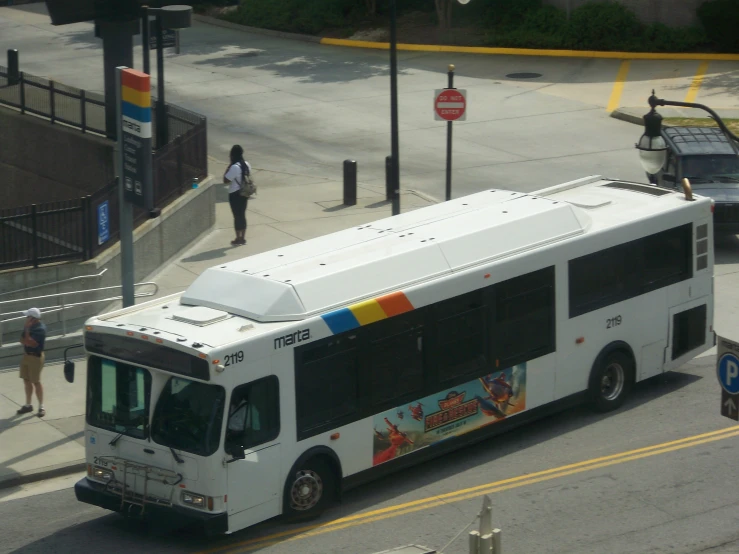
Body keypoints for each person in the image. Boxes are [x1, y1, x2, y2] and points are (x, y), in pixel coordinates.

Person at [16, 307, 47, 417]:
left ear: (33, 319)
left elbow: (30, 343)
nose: (26, 319)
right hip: (26, 356)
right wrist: (27, 332)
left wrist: (27, 330)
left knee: (36, 381)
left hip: (36, 358)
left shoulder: (40, 329)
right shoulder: (29, 327)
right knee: (26, 380)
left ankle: (41, 406)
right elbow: (22, 341)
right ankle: (28, 405)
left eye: (27, 317)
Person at [223, 145, 252, 246]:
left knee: (237, 216)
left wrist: (229, 166)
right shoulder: (247, 164)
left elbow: (225, 180)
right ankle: (243, 238)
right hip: (244, 193)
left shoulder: (234, 167)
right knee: (242, 214)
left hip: (235, 194)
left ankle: (238, 238)